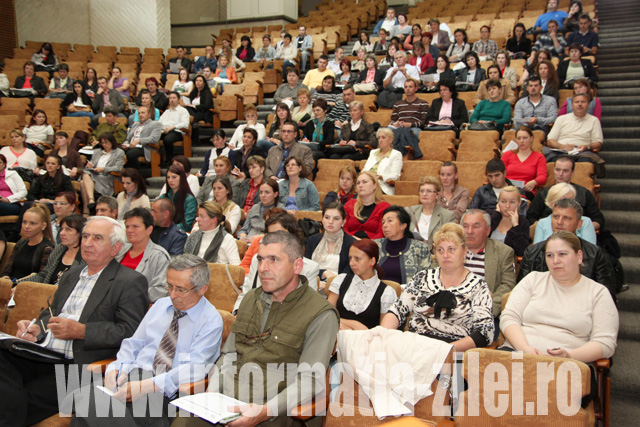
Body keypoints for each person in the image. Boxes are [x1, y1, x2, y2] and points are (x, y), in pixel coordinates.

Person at [173, 231, 338, 427]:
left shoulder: (320, 313)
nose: (263, 268)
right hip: (227, 401)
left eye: (273, 260)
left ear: (297, 266)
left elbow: (310, 381)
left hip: (274, 412)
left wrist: (263, 412)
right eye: (260, 259)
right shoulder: (251, 298)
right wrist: (212, 394)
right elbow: (228, 355)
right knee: (183, 423)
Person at [1, 216, 149, 427]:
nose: (87, 243)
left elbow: (130, 331)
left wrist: (83, 331)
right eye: (86, 236)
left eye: (97, 238)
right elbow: (52, 311)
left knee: (20, 397)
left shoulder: (130, 281)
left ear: (115, 248)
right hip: (42, 354)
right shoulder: (72, 273)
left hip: (78, 366)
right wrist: (36, 328)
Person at [71, 254, 223, 427]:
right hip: (133, 376)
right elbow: (134, 344)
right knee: (87, 407)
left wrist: (146, 386)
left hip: (165, 390)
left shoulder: (211, 321)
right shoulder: (160, 305)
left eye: (180, 289)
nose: (172, 295)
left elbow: (194, 369)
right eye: (169, 286)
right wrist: (117, 369)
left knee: (89, 411)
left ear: (202, 289)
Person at [501, 231, 618, 363]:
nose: (555, 261)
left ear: (579, 256)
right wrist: (525, 348)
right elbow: (509, 317)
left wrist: (569, 356)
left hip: (569, 364)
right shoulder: (533, 280)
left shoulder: (598, 293)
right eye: (550, 255)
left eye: (562, 254)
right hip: (518, 353)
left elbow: (605, 342)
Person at [381, 223, 494, 350]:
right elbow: (397, 310)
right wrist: (383, 335)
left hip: (453, 350)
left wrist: (444, 351)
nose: (445, 255)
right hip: (415, 346)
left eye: (451, 249)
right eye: (440, 249)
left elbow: (485, 333)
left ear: (464, 251)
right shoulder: (422, 277)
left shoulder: (478, 286)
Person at [518, 199, 616, 298]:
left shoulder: (594, 253)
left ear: (579, 224)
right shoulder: (533, 252)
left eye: (567, 218)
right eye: (556, 217)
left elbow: (606, 295)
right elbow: (520, 291)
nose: (559, 222)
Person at [327, 239, 397, 330]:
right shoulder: (341, 280)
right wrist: (356, 325)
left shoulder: (386, 293)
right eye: (350, 258)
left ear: (372, 261)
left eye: (357, 259)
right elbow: (327, 314)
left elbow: (384, 331)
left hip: (366, 341)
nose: (352, 263)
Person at [528, 155, 604, 229]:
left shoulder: (584, 193)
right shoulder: (544, 194)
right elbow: (530, 216)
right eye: (558, 170)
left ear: (572, 172)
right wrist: (541, 226)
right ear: (553, 170)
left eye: (565, 171)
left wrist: (585, 228)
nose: (560, 174)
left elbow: (598, 218)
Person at [18, 214, 86, 285]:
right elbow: (43, 275)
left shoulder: (85, 257)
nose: (62, 233)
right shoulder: (59, 249)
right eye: (62, 229)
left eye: (68, 229)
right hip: (46, 291)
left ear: (81, 233)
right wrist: (18, 284)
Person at [119, 208, 171, 301]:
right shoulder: (120, 250)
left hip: (137, 306)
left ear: (149, 230)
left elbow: (162, 290)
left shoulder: (159, 255)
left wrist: (130, 297)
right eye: (127, 226)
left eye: (135, 226)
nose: (129, 230)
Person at [376, 205, 432, 285]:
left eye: (390, 221)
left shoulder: (420, 248)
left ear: (403, 226)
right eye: (383, 222)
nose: (385, 225)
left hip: (408, 295)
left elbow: (426, 278)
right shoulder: (376, 245)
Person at [1, 203, 54, 281]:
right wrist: (5, 277)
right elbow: (8, 270)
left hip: (28, 287)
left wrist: (19, 283)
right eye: (24, 222)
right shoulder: (21, 243)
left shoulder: (47, 248)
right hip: (11, 284)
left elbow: (42, 277)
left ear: (43, 226)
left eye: (32, 223)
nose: (26, 226)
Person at [545, 93, 603, 162]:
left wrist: (587, 146)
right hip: (562, 151)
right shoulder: (561, 119)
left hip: (583, 152)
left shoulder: (594, 120)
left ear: (588, 105)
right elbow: (550, 141)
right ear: (572, 105)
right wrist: (563, 147)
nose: (580, 104)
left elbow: (598, 143)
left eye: (583, 102)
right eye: (577, 102)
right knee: (555, 160)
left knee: (585, 161)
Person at [306, 202, 356, 282]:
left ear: (343, 222)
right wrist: (324, 273)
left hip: (340, 287)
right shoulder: (312, 240)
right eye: (327, 217)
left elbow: (350, 273)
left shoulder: (352, 243)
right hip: (313, 285)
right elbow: (306, 268)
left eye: (336, 218)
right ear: (322, 219)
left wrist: (329, 284)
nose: (330, 221)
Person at [80, 132, 125, 215]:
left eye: (106, 143)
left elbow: (118, 168)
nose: (104, 145)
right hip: (95, 175)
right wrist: (89, 165)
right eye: (103, 143)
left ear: (112, 142)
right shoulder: (97, 152)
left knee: (83, 182)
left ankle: (86, 211)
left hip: (109, 176)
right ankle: (91, 200)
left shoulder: (119, 152)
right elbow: (91, 166)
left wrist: (103, 169)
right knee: (85, 175)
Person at [406, 175, 456, 246]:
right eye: (422, 191)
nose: (424, 194)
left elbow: (451, 241)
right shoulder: (409, 211)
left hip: (434, 254)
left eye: (429, 191)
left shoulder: (447, 216)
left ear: (438, 194)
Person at [501, 125, 548, 195]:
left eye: (525, 138)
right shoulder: (507, 155)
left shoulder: (539, 157)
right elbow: (500, 173)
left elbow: (543, 176)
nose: (521, 141)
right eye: (519, 138)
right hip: (507, 189)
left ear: (531, 138)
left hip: (525, 191)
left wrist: (534, 182)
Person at [344, 171, 391, 239]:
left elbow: (382, 233)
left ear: (374, 185)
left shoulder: (384, 206)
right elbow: (343, 229)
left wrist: (367, 244)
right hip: (349, 244)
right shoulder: (349, 205)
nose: (360, 185)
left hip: (373, 246)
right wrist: (353, 240)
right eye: (358, 183)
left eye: (364, 182)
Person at [489, 186, 530, 256]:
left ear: (519, 203)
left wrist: (515, 226)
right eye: (503, 202)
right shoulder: (490, 216)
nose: (507, 206)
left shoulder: (523, 222)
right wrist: (496, 216)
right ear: (498, 202)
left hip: (508, 262)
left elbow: (521, 251)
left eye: (512, 202)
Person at [362, 128, 403, 195]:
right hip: (367, 181)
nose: (380, 140)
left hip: (382, 186)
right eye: (379, 138)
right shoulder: (373, 152)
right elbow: (365, 169)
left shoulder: (396, 154)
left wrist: (381, 177)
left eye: (383, 137)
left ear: (390, 140)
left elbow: (395, 176)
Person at [121, 105, 163, 170]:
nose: (140, 115)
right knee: (117, 151)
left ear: (149, 114)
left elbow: (154, 138)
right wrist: (125, 143)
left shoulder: (155, 124)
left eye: (143, 113)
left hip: (145, 147)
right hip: (131, 146)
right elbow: (127, 139)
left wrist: (138, 141)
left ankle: (136, 175)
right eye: (139, 113)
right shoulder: (135, 125)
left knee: (131, 154)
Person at [159, 163, 197, 232]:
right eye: (168, 177)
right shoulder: (163, 197)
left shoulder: (189, 199)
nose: (170, 180)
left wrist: (167, 229)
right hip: (162, 231)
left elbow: (186, 224)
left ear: (182, 178)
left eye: (174, 177)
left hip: (179, 234)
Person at [159, 91, 191, 163]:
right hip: (164, 131)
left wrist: (173, 127)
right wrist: (164, 128)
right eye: (170, 98)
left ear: (179, 100)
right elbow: (159, 123)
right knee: (153, 138)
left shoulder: (183, 111)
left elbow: (185, 124)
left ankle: (169, 160)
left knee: (168, 139)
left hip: (177, 132)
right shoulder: (166, 112)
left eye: (174, 98)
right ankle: (158, 161)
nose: (172, 100)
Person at [301, 98, 334, 162]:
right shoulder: (309, 124)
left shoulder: (329, 124)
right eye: (314, 110)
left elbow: (330, 140)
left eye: (318, 110)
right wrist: (305, 140)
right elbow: (305, 136)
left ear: (325, 110)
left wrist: (316, 144)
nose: (316, 112)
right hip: (309, 149)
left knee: (312, 154)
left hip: (323, 151)